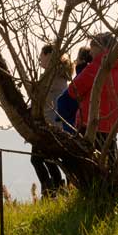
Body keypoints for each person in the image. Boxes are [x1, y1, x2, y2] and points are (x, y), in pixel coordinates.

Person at [68, 33, 118, 145]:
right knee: (106, 160)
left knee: (80, 160)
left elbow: (73, 90)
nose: (90, 52)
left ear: (101, 48)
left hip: (89, 125)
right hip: (111, 127)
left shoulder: (96, 67)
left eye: (92, 48)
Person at [31, 44, 72, 197]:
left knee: (38, 159)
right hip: (52, 123)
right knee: (45, 159)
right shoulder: (60, 75)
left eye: (41, 55)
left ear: (49, 56)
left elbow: (37, 92)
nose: (39, 59)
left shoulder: (52, 76)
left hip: (49, 124)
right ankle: (55, 189)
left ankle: (52, 190)